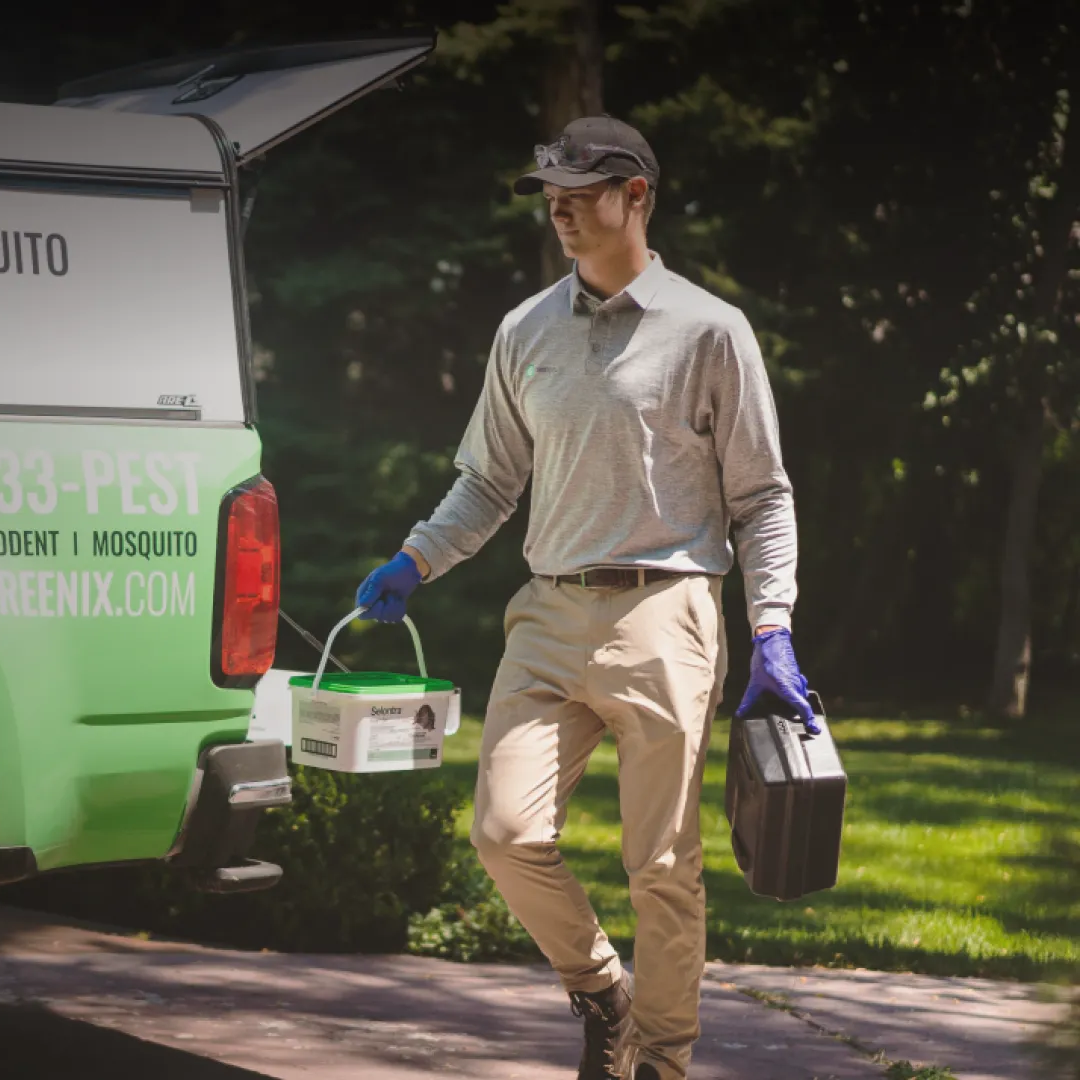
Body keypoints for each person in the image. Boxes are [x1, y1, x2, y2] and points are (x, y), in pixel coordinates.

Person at [353, 116, 815, 1080]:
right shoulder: (523, 331)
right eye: (550, 194)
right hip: (549, 613)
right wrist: (416, 558)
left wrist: (771, 626)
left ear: (637, 196)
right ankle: (604, 991)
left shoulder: (711, 330)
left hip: (668, 612)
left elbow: (762, 496)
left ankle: (662, 1062)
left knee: (661, 868)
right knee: (504, 832)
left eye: (580, 192)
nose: (560, 209)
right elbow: (487, 481)